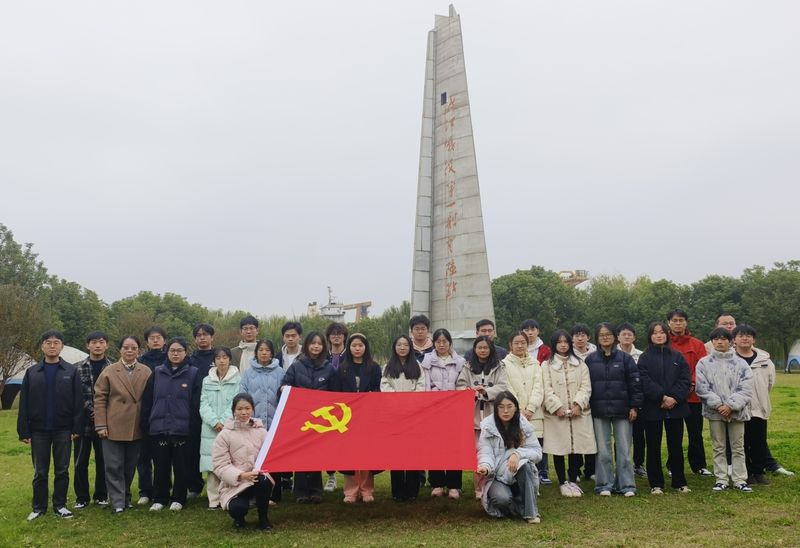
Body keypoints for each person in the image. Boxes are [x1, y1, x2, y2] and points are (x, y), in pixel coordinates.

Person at [17, 330, 83, 520]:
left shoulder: (71, 371)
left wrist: (76, 428)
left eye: (56, 342)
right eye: (48, 342)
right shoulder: (32, 372)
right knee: (40, 471)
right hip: (38, 431)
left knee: (62, 470)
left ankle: (60, 505)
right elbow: (24, 403)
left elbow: (78, 402)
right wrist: (23, 430)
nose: (52, 346)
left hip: (64, 429)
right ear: (42, 346)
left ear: (62, 346)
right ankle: (38, 507)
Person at [93, 336, 152, 512]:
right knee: (113, 466)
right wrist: (101, 425)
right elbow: (100, 398)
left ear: (139, 351)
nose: (129, 351)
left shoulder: (146, 371)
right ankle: (117, 502)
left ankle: (125, 498)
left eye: (133, 348)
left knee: (129, 466)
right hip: (113, 425)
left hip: (136, 425)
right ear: (120, 350)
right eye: (126, 347)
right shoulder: (109, 371)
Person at [584, 323, 642, 496]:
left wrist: (634, 406)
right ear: (597, 338)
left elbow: (635, 384)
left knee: (624, 450)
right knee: (603, 451)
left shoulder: (625, 359)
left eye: (608, 334)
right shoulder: (590, 360)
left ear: (615, 337)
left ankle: (626, 485)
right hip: (599, 410)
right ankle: (604, 484)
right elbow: (586, 385)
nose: (605, 337)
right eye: (601, 335)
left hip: (623, 410)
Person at [145, 337, 202, 511]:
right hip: (159, 426)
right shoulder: (157, 372)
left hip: (183, 428)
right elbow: (148, 399)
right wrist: (147, 422)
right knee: (161, 465)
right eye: (172, 350)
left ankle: (179, 497)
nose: (175, 354)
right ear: (167, 352)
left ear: (185, 352)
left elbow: (196, 403)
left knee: (181, 466)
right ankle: (160, 498)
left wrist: (193, 427)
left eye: (179, 350)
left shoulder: (193, 373)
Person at [636, 322, 691, 494]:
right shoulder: (644, 358)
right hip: (653, 407)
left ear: (667, 335)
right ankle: (656, 483)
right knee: (653, 446)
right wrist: (662, 396)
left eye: (661, 332)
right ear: (650, 336)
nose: (658, 335)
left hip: (676, 408)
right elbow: (644, 380)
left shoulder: (677, 356)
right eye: (655, 333)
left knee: (676, 445)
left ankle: (679, 481)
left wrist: (673, 398)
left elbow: (685, 380)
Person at [695, 327, 753, 492]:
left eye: (723, 339)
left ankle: (740, 479)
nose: (719, 342)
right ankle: (721, 479)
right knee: (718, 446)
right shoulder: (704, 363)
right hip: (715, 412)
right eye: (716, 339)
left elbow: (746, 388)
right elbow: (702, 388)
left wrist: (731, 405)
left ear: (730, 341)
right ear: (712, 342)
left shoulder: (741, 363)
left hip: (737, 412)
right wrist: (719, 405)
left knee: (738, 446)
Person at [541, 330, 595, 497]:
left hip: (577, 413)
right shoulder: (546, 366)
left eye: (565, 341)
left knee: (575, 447)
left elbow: (586, 386)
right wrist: (556, 406)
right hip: (556, 414)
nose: (563, 345)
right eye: (559, 342)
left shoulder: (580, 364)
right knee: (558, 447)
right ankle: (562, 481)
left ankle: (573, 479)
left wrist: (579, 404)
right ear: (554, 344)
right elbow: (546, 389)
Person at [281, 331, 333, 503]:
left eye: (319, 343)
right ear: (307, 345)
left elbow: (336, 392)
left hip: (321, 418)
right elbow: (285, 385)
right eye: (313, 343)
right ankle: (300, 492)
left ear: (323, 346)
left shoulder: (328, 368)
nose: (316, 346)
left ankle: (316, 490)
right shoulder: (296, 366)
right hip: (301, 418)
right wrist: (284, 389)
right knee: (301, 453)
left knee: (316, 453)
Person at [476, 391, 542, 524]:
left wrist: (517, 454)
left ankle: (530, 513)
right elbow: (485, 452)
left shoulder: (523, 425)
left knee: (526, 466)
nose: (505, 411)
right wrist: (486, 467)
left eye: (509, 406)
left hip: (516, 471)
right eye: (501, 407)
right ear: (496, 409)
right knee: (502, 499)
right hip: (496, 475)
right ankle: (519, 506)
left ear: (516, 408)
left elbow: (536, 452)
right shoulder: (488, 426)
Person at [330, 333, 382, 503]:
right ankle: (351, 491)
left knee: (367, 452)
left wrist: (371, 396)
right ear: (349, 348)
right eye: (354, 346)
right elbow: (336, 393)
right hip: (348, 417)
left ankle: (366, 490)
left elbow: (378, 389)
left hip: (368, 416)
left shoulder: (374, 367)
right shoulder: (342, 368)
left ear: (365, 347)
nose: (357, 349)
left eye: (360, 345)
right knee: (349, 454)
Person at [457, 335, 509, 499]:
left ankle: (494, 485)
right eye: (479, 348)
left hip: (492, 414)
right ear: (475, 349)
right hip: (473, 417)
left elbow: (503, 386)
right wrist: (471, 392)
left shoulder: (500, 366)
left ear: (491, 349)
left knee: (494, 452)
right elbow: (460, 385)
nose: (483, 350)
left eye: (486, 347)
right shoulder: (468, 366)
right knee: (478, 454)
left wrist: (486, 392)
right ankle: (479, 488)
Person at [212, 393, 274, 530]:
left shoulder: (261, 431)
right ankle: (239, 519)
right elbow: (220, 465)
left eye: (247, 408)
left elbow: (269, 454)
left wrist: (257, 472)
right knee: (238, 508)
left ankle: (263, 518)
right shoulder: (224, 435)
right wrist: (241, 475)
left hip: (257, 479)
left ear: (252, 409)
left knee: (264, 480)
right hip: (235, 484)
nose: (244, 412)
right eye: (239, 409)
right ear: (233, 411)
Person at [420, 328, 466, 498]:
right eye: (438, 341)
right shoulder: (427, 361)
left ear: (449, 343)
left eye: (444, 341)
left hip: (454, 409)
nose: (441, 345)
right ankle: (437, 483)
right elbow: (425, 384)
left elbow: (462, 383)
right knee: (435, 446)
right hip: (434, 410)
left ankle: (454, 485)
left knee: (454, 446)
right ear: (434, 343)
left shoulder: (460, 361)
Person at [381, 335, 426, 501]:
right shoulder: (388, 366)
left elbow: (421, 386)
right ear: (394, 347)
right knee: (396, 453)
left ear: (410, 347)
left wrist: (409, 403)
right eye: (399, 345)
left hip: (413, 415)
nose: (402, 347)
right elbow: (384, 386)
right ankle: (398, 492)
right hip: (394, 416)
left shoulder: (417, 366)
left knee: (412, 453)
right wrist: (397, 402)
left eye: (405, 345)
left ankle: (412, 491)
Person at [667, 309, 712, 476]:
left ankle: (698, 465)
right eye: (675, 320)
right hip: (672, 398)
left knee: (695, 433)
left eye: (681, 320)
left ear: (686, 323)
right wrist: (675, 392)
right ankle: (673, 465)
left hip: (693, 397)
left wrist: (690, 385)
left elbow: (701, 368)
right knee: (674, 434)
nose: (678, 323)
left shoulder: (697, 344)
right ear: (669, 323)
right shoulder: (664, 344)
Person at [239, 339, 285, 502]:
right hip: (254, 424)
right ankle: (253, 494)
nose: (264, 353)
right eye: (261, 350)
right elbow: (242, 396)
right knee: (253, 459)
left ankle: (274, 494)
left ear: (272, 353)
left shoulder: (280, 372)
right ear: (256, 352)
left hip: (274, 423)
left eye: (267, 350)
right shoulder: (248, 373)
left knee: (274, 460)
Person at [732, 324, 775, 485]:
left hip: (758, 407)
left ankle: (759, 471)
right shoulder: (729, 359)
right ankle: (746, 472)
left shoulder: (765, 361)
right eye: (741, 335)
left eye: (748, 336)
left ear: (754, 340)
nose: (745, 338)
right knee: (741, 442)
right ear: (734, 340)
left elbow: (770, 383)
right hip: (738, 408)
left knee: (759, 441)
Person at [73, 330, 111, 509]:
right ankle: (81, 497)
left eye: (101, 342)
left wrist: (101, 412)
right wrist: (93, 410)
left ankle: (101, 495)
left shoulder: (113, 367)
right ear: (87, 345)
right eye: (94, 342)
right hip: (82, 423)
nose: (97, 345)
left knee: (103, 461)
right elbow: (75, 394)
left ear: (107, 345)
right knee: (80, 461)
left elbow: (114, 394)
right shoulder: (77, 368)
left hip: (106, 423)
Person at [200, 347, 242, 509]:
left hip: (229, 426)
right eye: (218, 358)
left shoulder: (238, 379)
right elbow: (203, 403)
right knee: (212, 464)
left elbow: (236, 403)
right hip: (210, 428)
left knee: (229, 463)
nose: (222, 361)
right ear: (214, 361)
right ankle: (213, 500)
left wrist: (224, 421)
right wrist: (213, 422)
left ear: (230, 359)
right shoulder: (207, 380)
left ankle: (229, 497)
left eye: (225, 357)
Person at [503, 331, 546, 487]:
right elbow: (507, 386)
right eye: (516, 343)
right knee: (517, 445)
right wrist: (519, 409)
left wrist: (531, 408)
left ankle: (538, 478)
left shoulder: (535, 364)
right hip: (515, 413)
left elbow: (539, 387)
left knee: (535, 446)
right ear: (510, 345)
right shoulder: (504, 364)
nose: (520, 346)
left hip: (534, 413)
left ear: (527, 345)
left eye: (523, 343)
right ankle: (516, 479)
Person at [136, 325, 167, 505]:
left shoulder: (169, 360)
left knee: (162, 457)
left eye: (158, 337)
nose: (155, 340)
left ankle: (161, 490)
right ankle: (145, 490)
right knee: (143, 456)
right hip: (143, 411)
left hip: (164, 413)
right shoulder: (140, 361)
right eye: (152, 338)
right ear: (147, 342)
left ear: (164, 340)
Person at [186, 323, 216, 497]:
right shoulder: (190, 359)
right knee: (193, 449)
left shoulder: (219, 356)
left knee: (216, 449)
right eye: (198, 335)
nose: (202, 337)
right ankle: (194, 486)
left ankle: (219, 485)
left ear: (212, 337)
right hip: (194, 410)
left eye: (205, 334)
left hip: (216, 410)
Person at [616, 322, 646, 479]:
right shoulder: (612, 354)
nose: (626, 337)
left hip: (638, 399)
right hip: (619, 400)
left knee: (639, 435)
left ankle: (638, 464)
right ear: (618, 337)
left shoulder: (641, 355)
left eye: (630, 334)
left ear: (634, 337)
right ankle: (621, 465)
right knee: (620, 436)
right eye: (623, 334)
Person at [323, 322, 348, 493]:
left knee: (346, 443)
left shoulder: (350, 355)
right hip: (326, 404)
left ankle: (349, 478)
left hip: (347, 405)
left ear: (344, 336)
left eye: (339, 334)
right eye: (333, 334)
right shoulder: (324, 356)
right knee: (327, 442)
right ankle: (331, 476)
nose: (336, 336)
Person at [570, 323, 596, 481]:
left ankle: (591, 469)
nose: (580, 338)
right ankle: (576, 469)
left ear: (588, 337)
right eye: (576, 335)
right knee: (576, 434)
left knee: (592, 435)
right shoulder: (568, 354)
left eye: (583, 335)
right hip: (575, 399)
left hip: (594, 398)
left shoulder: (596, 353)